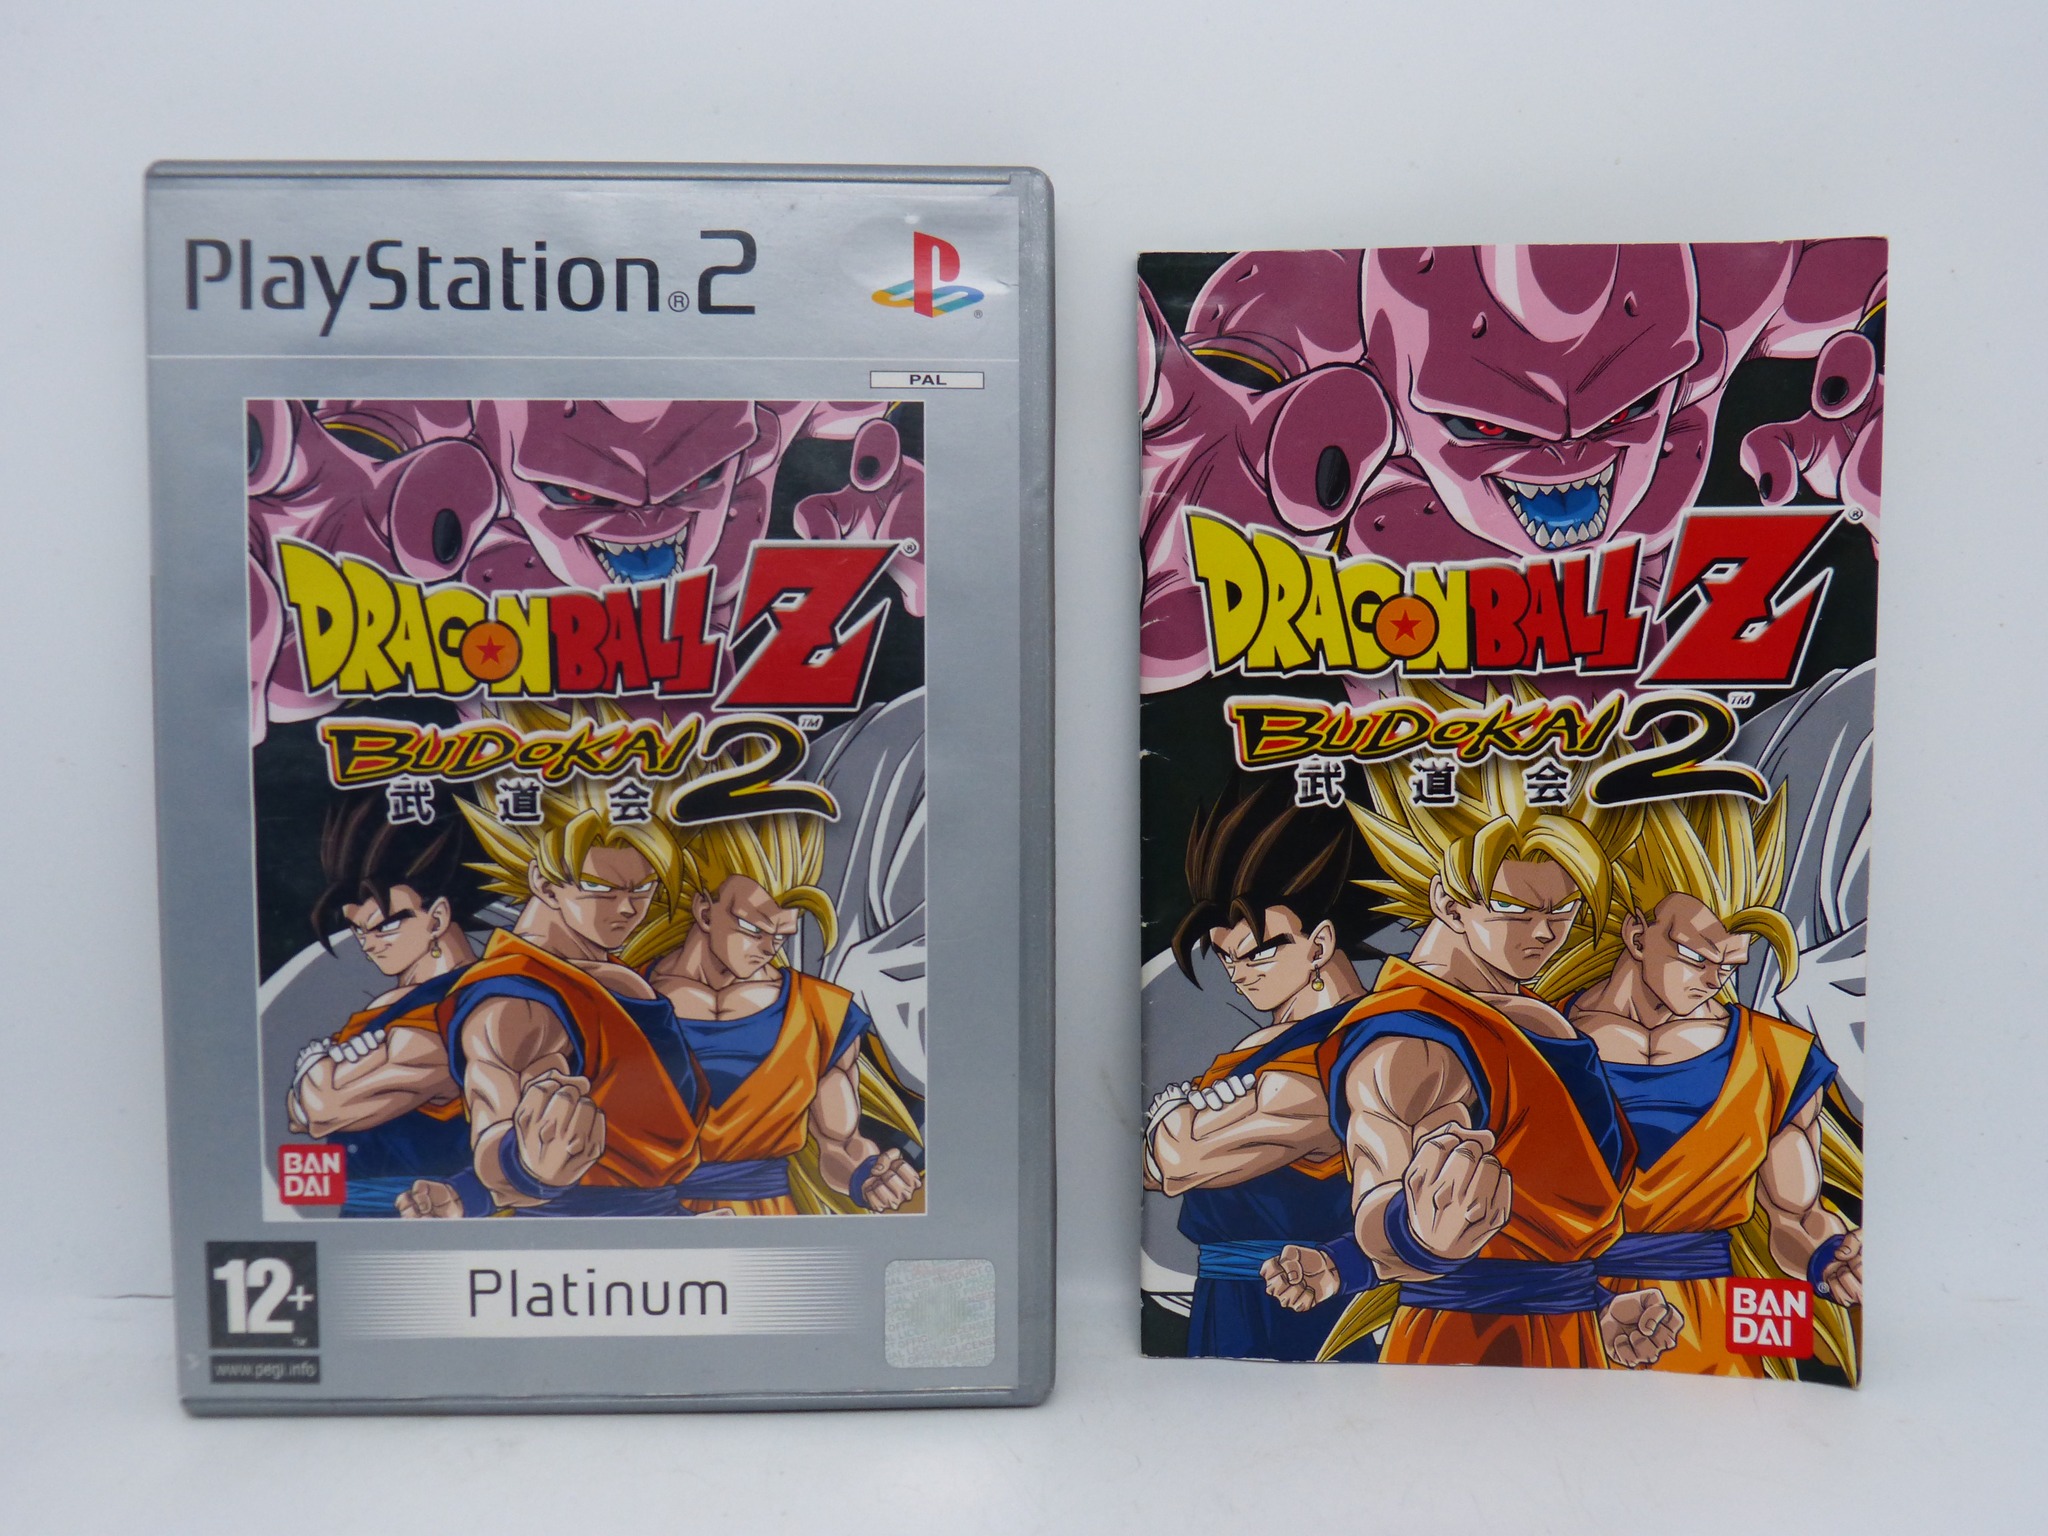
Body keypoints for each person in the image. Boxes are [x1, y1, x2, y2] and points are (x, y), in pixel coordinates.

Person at [1268, 752, 1682, 1368]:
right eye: (1515, 909)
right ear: (1449, 901)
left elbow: (1534, 1225)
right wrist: (1415, 1237)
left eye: (1563, 910)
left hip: (1563, 1336)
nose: (1544, 933)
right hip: (1459, 1348)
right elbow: (1382, 1189)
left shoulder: (1532, 1020)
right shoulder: (1412, 1040)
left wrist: (1593, 1299)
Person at [1543, 791, 1862, 1377]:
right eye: (1695, 957)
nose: (1715, 979)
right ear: (1637, 937)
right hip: (1556, 1321)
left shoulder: (1774, 1057)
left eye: (1730, 964)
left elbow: (1794, 1217)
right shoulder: (1533, 1038)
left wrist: (1826, 1258)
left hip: (1703, 1332)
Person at [397, 754, 705, 1217]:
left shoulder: (612, 976)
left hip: (660, 1219)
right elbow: (496, 1120)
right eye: (602, 888)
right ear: (544, 883)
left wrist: (472, 1193)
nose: (628, 909)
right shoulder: (516, 1001)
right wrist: (524, 1169)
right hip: (571, 1230)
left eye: (642, 890)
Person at [1143, 772, 1382, 1361]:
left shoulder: (1348, 1049)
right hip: (1227, 1302)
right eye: (1227, 958)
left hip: (1299, 1301)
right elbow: (1153, 1168)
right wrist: (1181, 1133)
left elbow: (1178, 1160)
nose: (1238, 973)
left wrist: (1177, 1117)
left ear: (1319, 944)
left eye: (1256, 953)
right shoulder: (1265, 1048)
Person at [623, 794, 920, 1216]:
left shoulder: (819, 1012)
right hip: (643, 1218)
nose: (768, 948)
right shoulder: (618, 996)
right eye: (753, 929)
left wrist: (867, 1176)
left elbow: (839, 1145)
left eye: (781, 935)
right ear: (704, 912)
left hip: (765, 1217)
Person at [286, 792, 484, 1216]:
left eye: (385, 926)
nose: (368, 944)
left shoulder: (460, 1006)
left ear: (437, 917)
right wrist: (322, 1080)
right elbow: (297, 1113)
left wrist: (317, 1062)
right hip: (363, 1214)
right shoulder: (397, 1004)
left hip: (425, 1209)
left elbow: (323, 1109)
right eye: (359, 931)